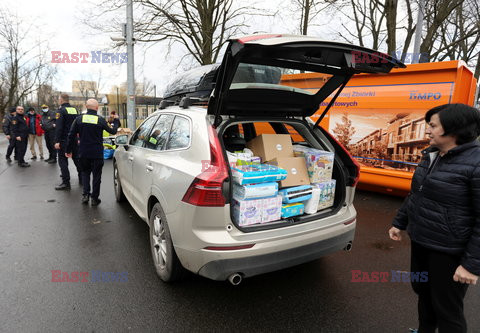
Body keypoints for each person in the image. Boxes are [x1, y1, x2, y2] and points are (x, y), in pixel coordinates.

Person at [389, 103, 480, 333]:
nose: (427, 130)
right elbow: (416, 194)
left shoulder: (476, 164)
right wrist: (400, 222)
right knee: (424, 293)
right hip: (421, 241)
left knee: (447, 309)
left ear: (454, 129)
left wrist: (471, 266)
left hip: (449, 250)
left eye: (432, 125)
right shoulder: (431, 155)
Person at [66, 99, 120, 206]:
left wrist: (68, 150)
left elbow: (71, 135)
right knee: (97, 176)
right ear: (96, 108)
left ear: (86, 107)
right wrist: (116, 120)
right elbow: (113, 131)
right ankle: (95, 198)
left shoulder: (79, 119)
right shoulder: (100, 120)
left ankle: (85, 195)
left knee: (85, 173)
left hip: (83, 152)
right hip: (97, 153)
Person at [54, 93, 82, 190]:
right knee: (76, 159)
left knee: (62, 160)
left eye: (59, 99)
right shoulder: (74, 110)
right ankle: (82, 178)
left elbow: (59, 127)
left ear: (61, 100)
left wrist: (57, 141)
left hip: (64, 139)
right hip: (74, 138)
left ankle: (66, 182)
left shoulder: (60, 111)